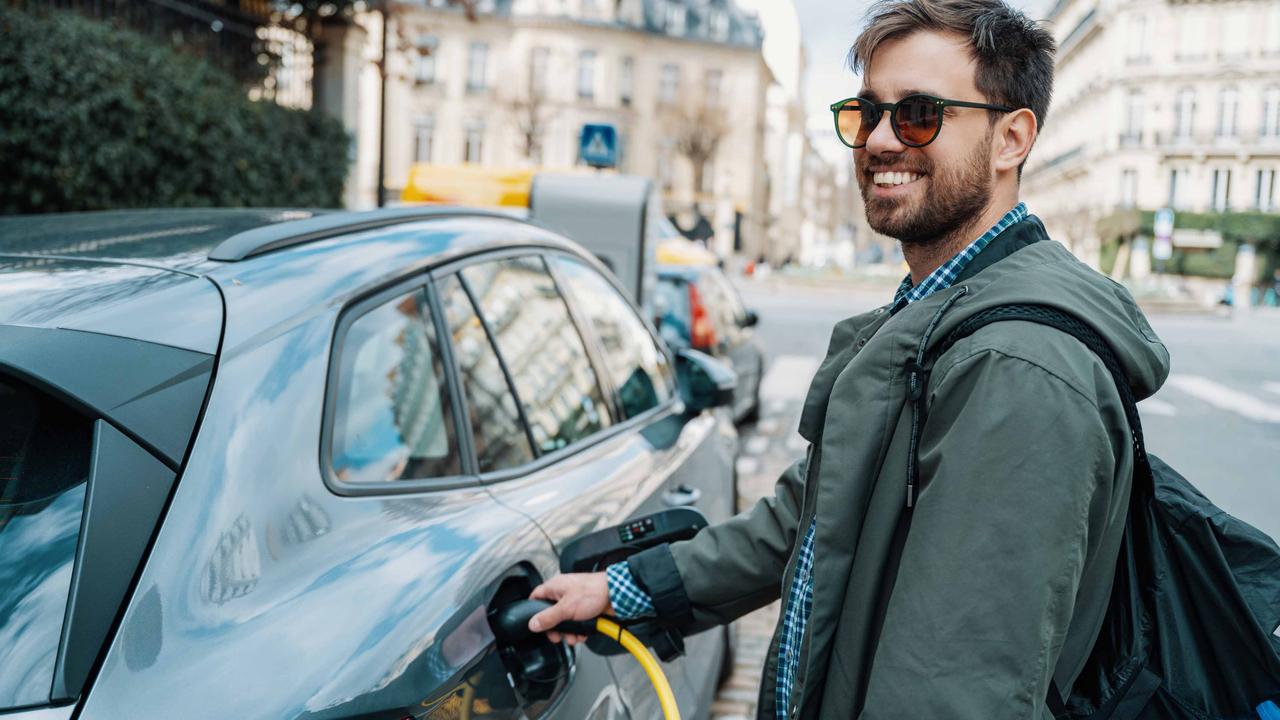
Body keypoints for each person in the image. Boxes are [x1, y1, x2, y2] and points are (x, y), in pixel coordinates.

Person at [526, 0, 1171, 717]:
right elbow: (810, 518)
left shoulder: (1016, 366)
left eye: (920, 114)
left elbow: (951, 692)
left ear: (1010, 139)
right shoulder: (937, 316)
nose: (882, 140)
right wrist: (622, 590)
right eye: (869, 114)